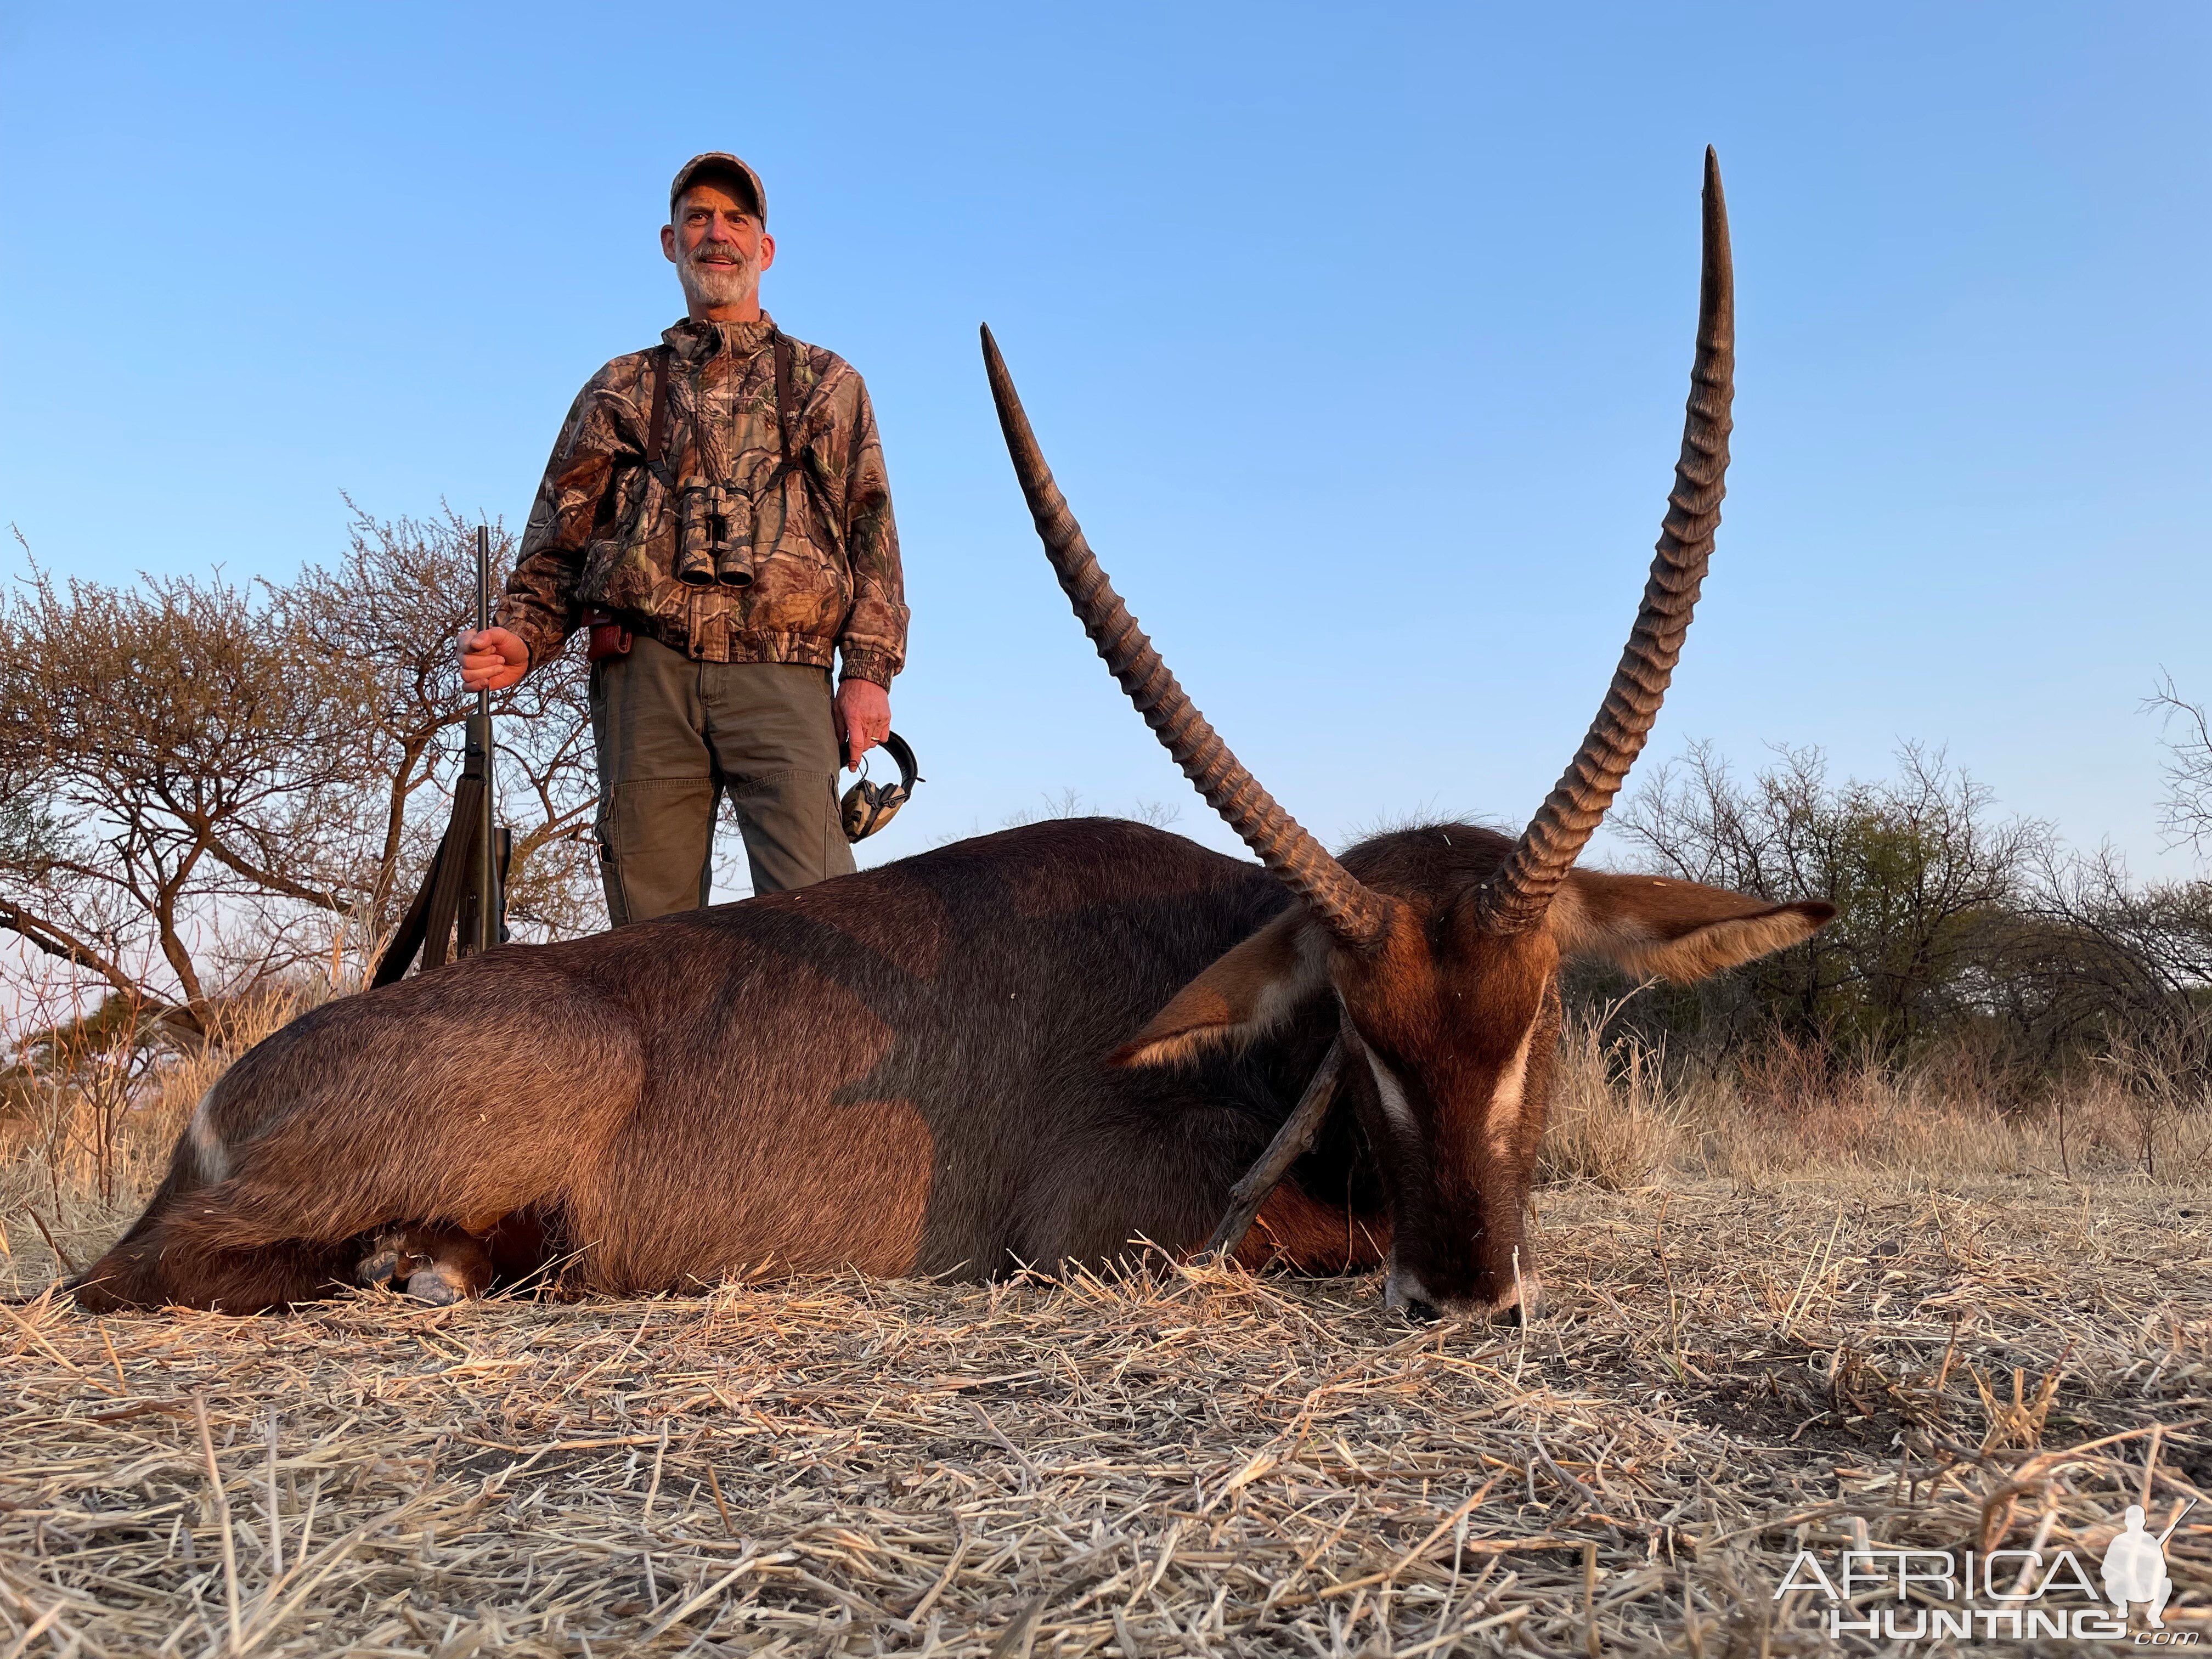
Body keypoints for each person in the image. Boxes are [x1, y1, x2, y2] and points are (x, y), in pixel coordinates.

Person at [459, 152, 907, 921]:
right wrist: (525, 637)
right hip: (646, 682)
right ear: (670, 242)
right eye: (698, 218)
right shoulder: (618, 387)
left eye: (737, 220)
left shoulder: (829, 383)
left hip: (784, 676)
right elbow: (557, 542)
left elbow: (873, 536)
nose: (717, 235)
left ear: (765, 250)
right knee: (649, 943)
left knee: (826, 927)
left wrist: (868, 672)